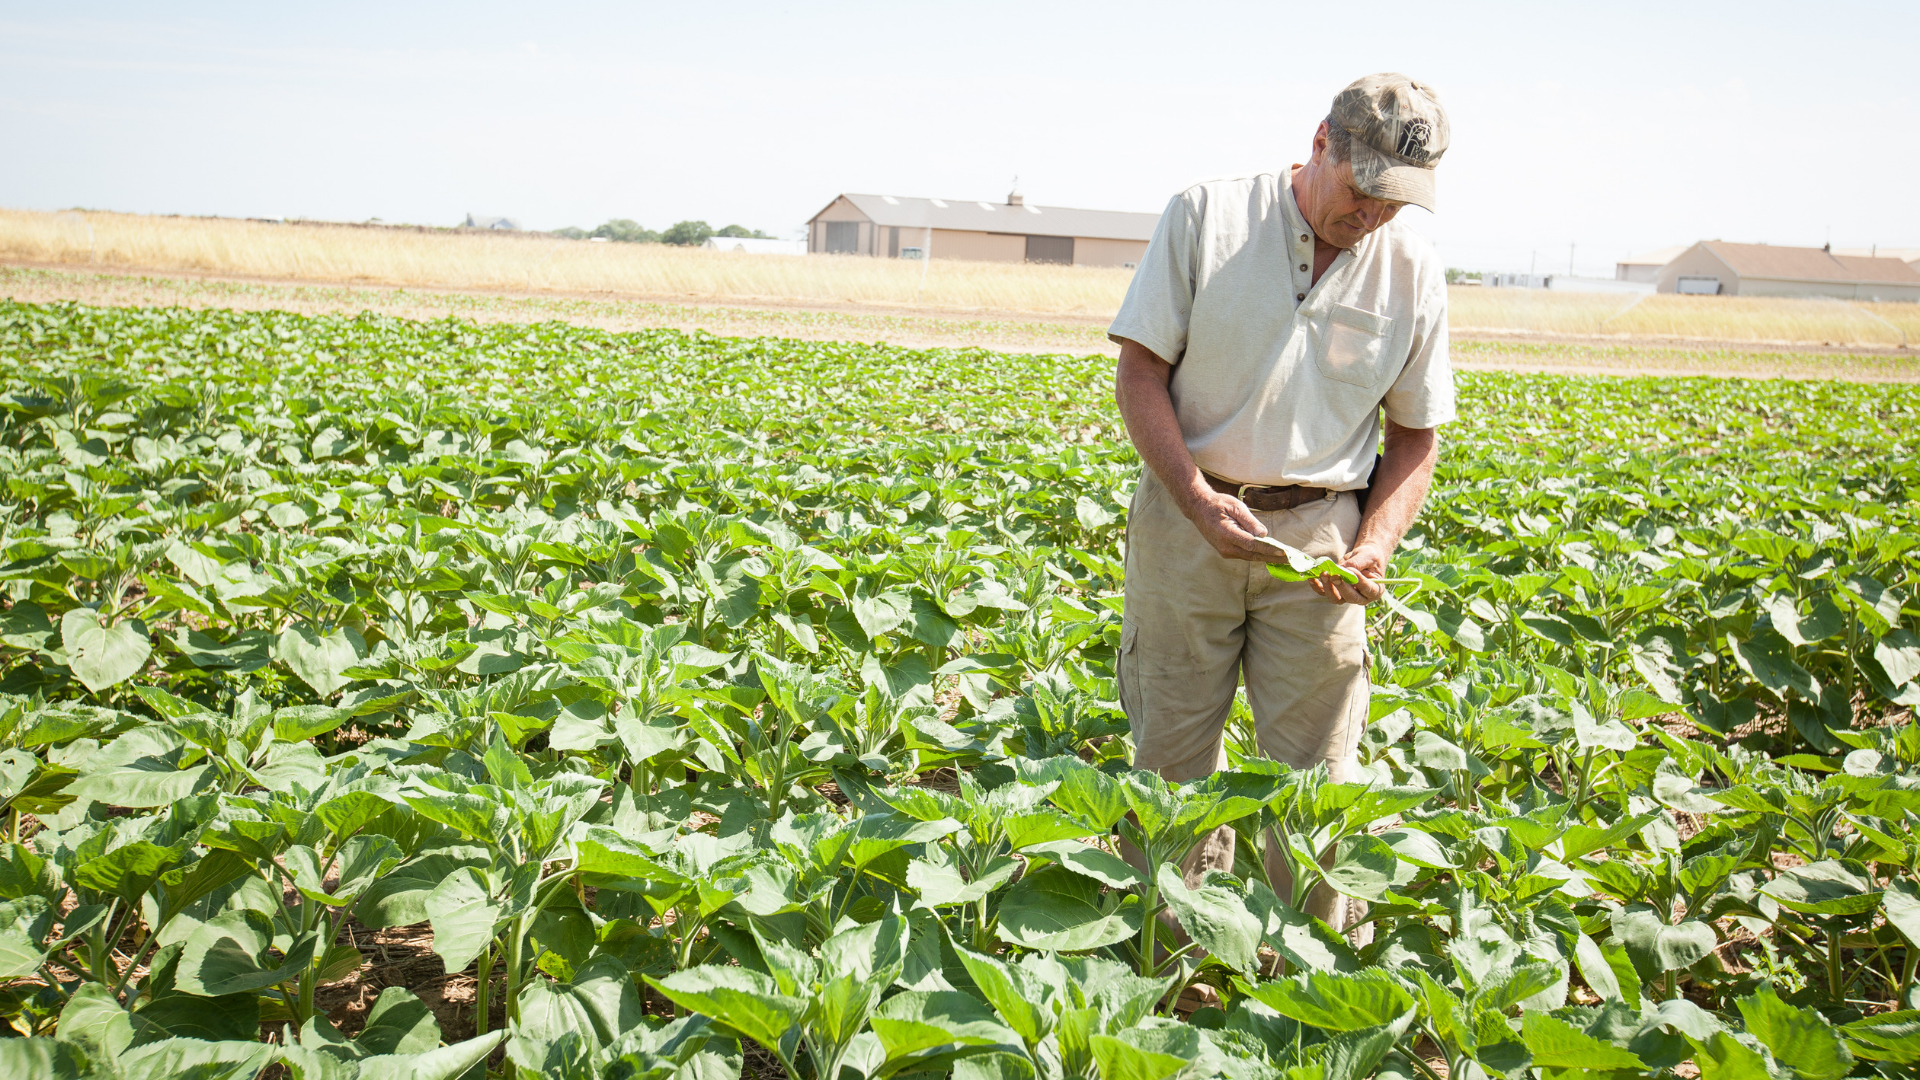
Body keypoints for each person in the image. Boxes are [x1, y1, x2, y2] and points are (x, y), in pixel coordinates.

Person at [1109, 73, 1456, 932]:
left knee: (1315, 784)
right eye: (1362, 189)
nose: (1372, 214)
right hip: (1187, 523)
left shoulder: (1412, 264)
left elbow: (1414, 436)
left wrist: (1375, 542)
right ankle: (1171, 971)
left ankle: (1299, 984)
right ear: (1320, 144)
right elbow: (1140, 372)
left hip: (1321, 545)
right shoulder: (1207, 217)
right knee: (1170, 770)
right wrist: (1193, 498)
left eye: (1395, 200)